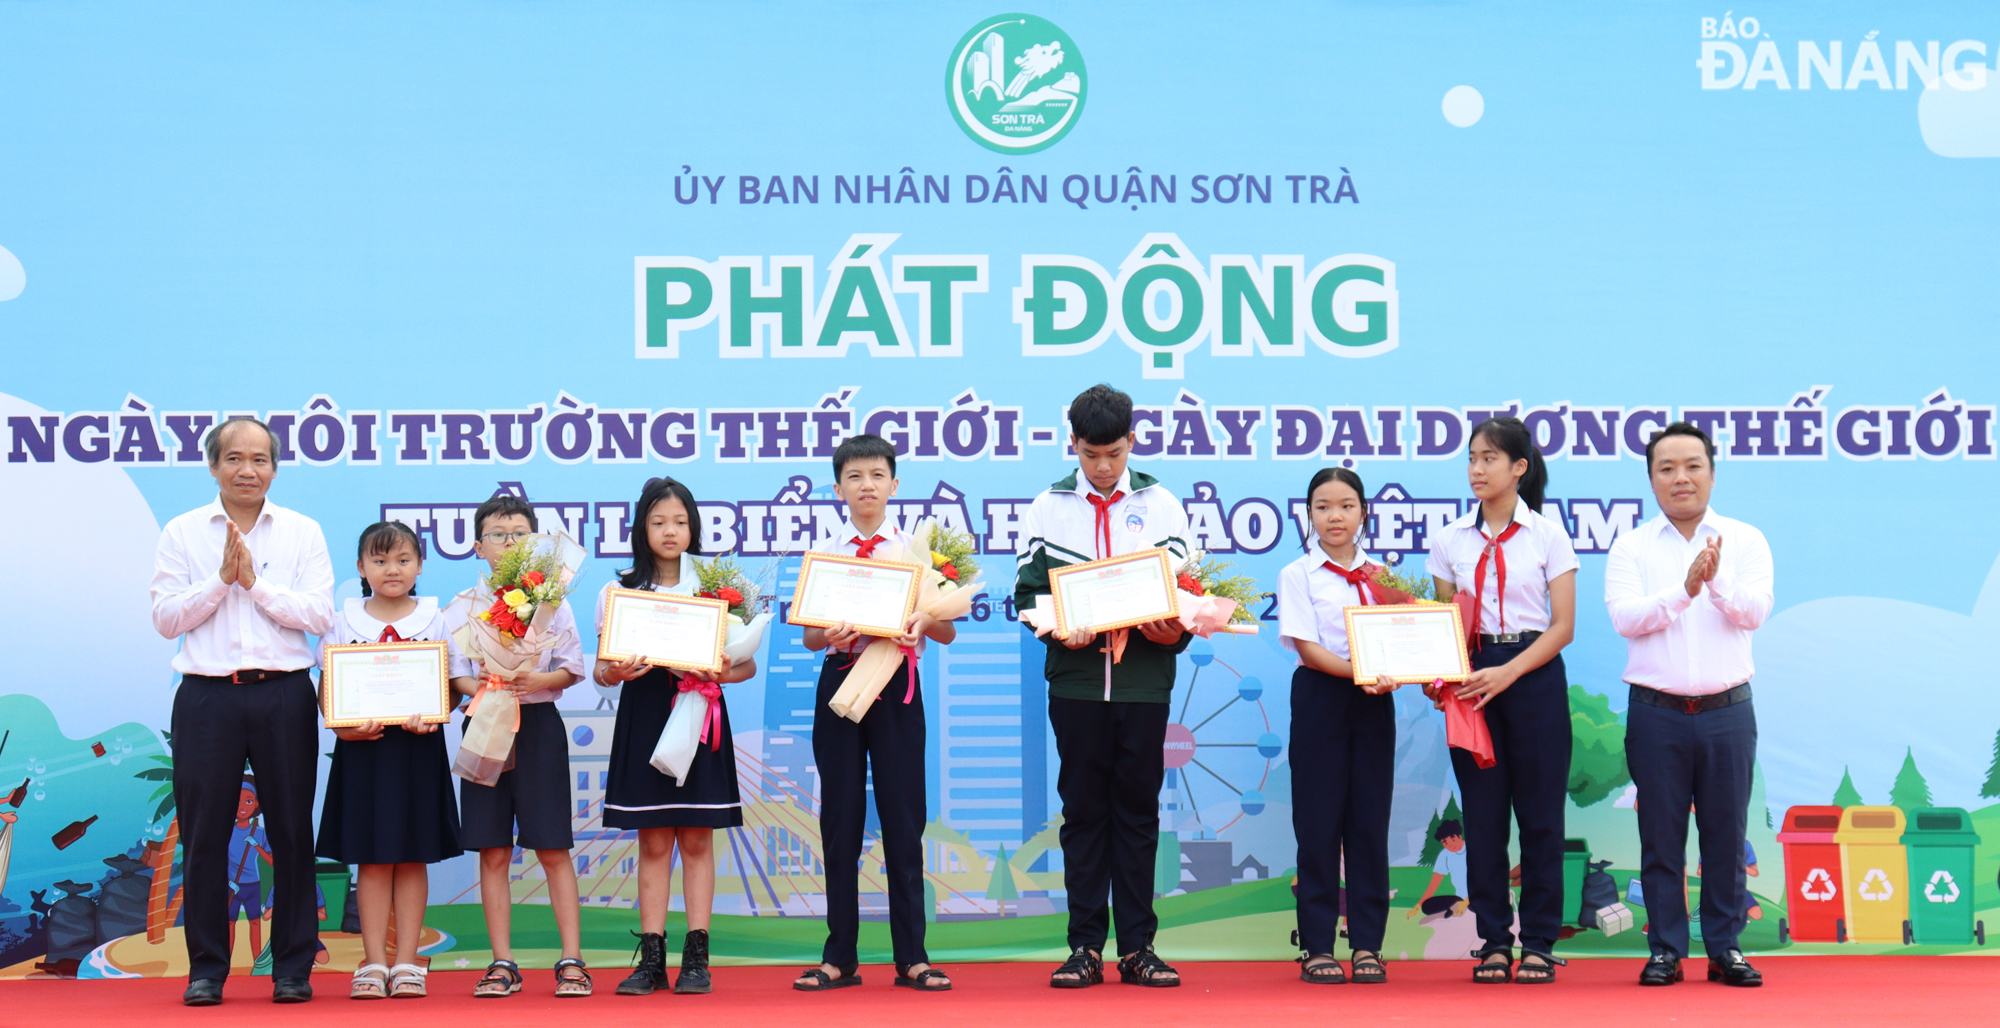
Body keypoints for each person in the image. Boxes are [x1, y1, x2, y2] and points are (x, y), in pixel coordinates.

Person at [151, 417, 334, 1005]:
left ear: (274, 469)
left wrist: (254, 586)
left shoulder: (302, 532)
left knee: (290, 830)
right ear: (213, 466)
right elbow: (166, 620)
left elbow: (320, 617)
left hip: (283, 693)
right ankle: (206, 968)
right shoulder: (182, 533)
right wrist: (220, 580)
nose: (247, 469)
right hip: (207, 698)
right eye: (234, 458)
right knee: (204, 835)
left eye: (259, 459)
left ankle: (292, 968)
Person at [1015, 385, 1192, 989]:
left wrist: (1171, 633)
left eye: (1114, 453)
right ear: (1074, 446)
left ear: (1132, 442)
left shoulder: (1163, 504)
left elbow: (1186, 598)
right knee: (1084, 814)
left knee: (1139, 814)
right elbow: (1027, 597)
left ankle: (1139, 947)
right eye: (1091, 454)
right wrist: (1056, 629)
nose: (1104, 467)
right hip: (1078, 686)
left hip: (1143, 685)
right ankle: (1085, 946)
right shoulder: (1047, 508)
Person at [1605, 421, 1771, 988]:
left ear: (1712, 472)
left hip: (1727, 712)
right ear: (1651, 479)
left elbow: (1755, 611)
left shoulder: (1745, 540)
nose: (1681, 478)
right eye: (1666, 468)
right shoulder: (1631, 546)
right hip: (1657, 714)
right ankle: (1666, 950)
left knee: (1726, 836)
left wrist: (1716, 581)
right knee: (1661, 835)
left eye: (1692, 466)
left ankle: (1725, 948)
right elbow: (1626, 618)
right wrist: (1686, 590)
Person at [793, 435, 956, 993]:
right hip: (841, 683)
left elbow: (948, 628)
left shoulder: (917, 553)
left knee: (903, 820)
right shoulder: (825, 553)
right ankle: (839, 956)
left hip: (898, 685)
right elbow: (812, 636)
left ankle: (913, 956)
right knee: (839, 820)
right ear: (838, 488)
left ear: (894, 484)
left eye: (878, 475)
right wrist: (828, 633)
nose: (867, 485)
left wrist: (920, 623)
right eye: (855, 476)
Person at [1423, 416, 1577, 984]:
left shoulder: (1547, 536)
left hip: (1532, 675)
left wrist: (1508, 672)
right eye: (1471, 459)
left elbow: (1563, 627)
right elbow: (1444, 627)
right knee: (1484, 820)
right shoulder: (1448, 540)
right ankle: (1493, 942)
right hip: (1473, 684)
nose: (1477, 469)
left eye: (1489, 459)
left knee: (1540, 820)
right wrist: (1437, 673)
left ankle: (1537, 941)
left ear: (1519, 468)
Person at [595, 477, 756, 996]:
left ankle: (697, 959)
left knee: (696, 838)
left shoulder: (717, 588)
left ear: (694, 527)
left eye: (680, 521)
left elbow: (745, 666)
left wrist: (721, 671)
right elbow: (601, 672)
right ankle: (651, 961)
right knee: (654, 841)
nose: (670, 531)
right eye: (659, 521)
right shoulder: (618, 591)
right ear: (642, 527)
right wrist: (616, 672)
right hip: (645, 715)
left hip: (699, 711)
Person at [443, 494, 592, 998]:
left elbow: (572, 667)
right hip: (485, 725)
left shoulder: (553, 600)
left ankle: (572, 959)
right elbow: (455, 677)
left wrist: (536, 678)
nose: (509, 542)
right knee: (492, 849)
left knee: (553, 846)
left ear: (536, 543)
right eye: (498, 534)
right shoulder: (461, 608)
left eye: (520, 535)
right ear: (478, 546)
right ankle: (501, 962)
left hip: (539, 727)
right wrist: (489, 685)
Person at [315, 521, 464, 1000]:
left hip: (418, 750)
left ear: (420, 565)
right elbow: (328, 685)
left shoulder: (435, 618)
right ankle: (373, 962)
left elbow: (455, 682)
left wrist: (438, 716)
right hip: (364, 751)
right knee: (373, 860)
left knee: (412, 854)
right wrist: (341, 727)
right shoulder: (344, 619)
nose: (392, 569)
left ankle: (406, 963)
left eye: (403, 560)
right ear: (361, 568)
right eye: (379, 561)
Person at [1278, 468, 1402, 985]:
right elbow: (1307, 648)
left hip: (1375, 704)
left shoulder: (1385, 576)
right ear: (1309, 514)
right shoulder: (1297, 575)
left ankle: (1369, 946)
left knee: (1369, 826)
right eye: (1324, 506)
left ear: (1363, 513)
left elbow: (1401, 635)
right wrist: (1361, 672)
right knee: (1319, 826)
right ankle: (1318, 946)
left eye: (1346, 505)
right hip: (1321, 699)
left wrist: (1396, 670)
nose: (1335, 516)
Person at [1410, 820, 1472, 922]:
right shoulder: (1445, 855)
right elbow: (1433, 885)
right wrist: (1417, 907)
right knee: (1427, 906)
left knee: (1479, 904)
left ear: (1459, 837)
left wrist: (1467, 901)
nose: (1450, 845)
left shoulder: (1473, 849)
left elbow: (1484, 882)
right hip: (1459, 899)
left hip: (1478, 897)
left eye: (1453, 839)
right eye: (1445, 842)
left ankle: (1457, 909)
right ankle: (1451, 911)